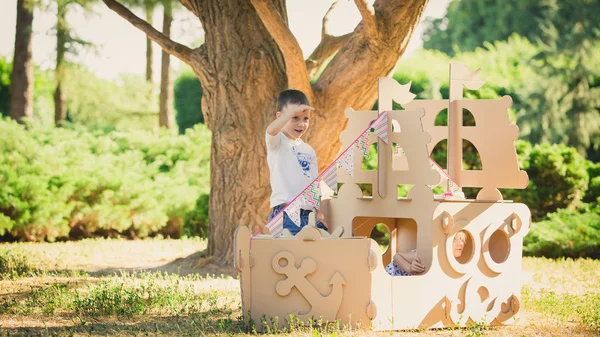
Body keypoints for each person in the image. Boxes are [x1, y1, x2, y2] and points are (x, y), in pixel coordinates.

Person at [265, 89, 330, 236]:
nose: (301, 124)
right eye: (294, 117)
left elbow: (313, 182)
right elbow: (271, 130)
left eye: (305, 118)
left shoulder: (308, 150)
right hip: (286, 215)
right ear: (280, 117)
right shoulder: (277, 142)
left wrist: (319, 212)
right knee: (291, 255)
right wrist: (291, 112)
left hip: (309, 216)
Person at [385, 230, 467, 276]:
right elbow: (397, 256)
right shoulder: (426, 255)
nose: (461, 243)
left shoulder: (455, 264)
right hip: (391, 275)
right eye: (454, 239)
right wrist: (409, 268)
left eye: (462, 240)